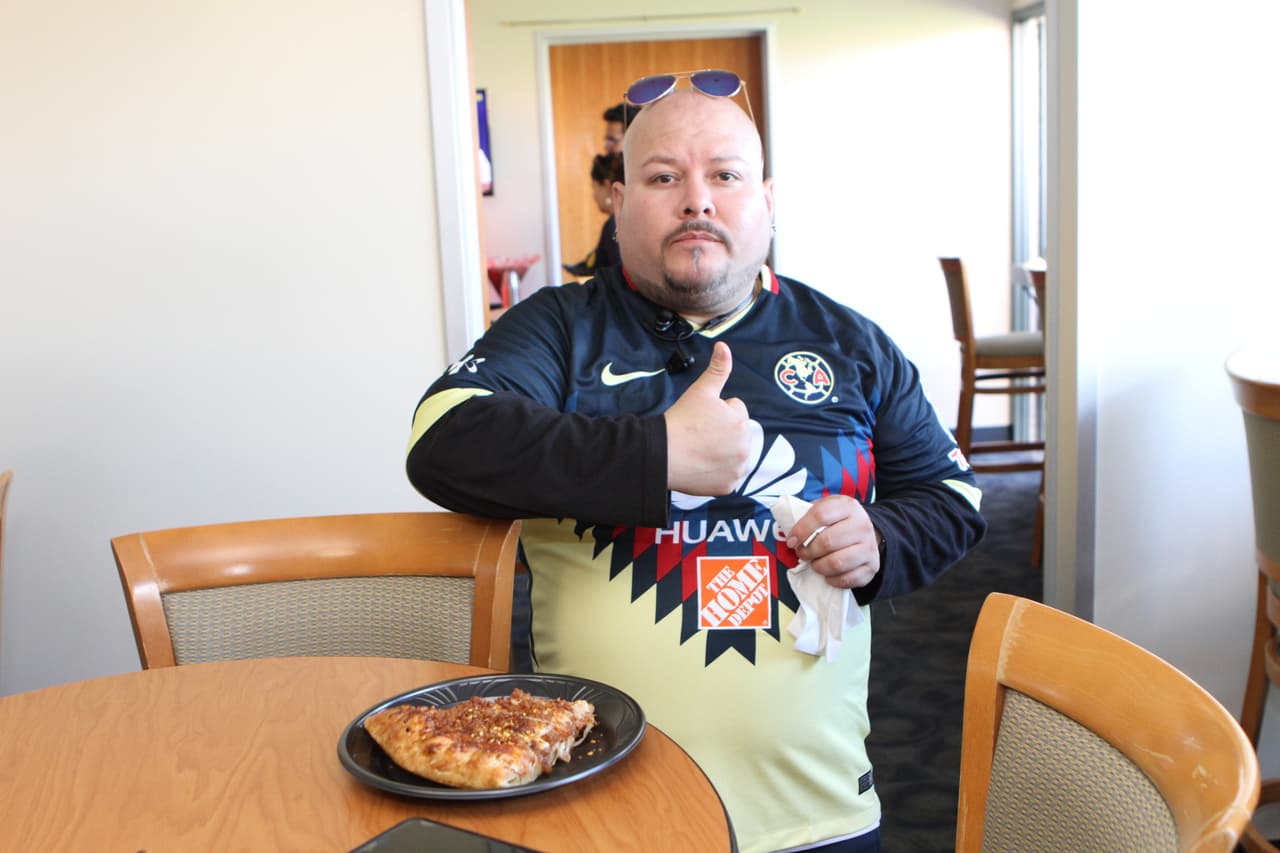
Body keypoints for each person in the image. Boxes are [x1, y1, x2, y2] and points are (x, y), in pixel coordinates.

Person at [406, 78, 985, 853]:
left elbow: (952, 497)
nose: (696, 200)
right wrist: (659, 454)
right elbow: (444, 438)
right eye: (662, 176)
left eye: (725, 174)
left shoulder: (850, 342)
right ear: (616, 199)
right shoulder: (557, 329)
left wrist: (881, 536)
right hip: (597, 807)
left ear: (768, 199)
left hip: (815, 813)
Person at [563, 151, 623, 277]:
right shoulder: (618, 223)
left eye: (594, 188)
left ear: (607, 186)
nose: (594, 195)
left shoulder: (614, 225)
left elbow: (620, 275)